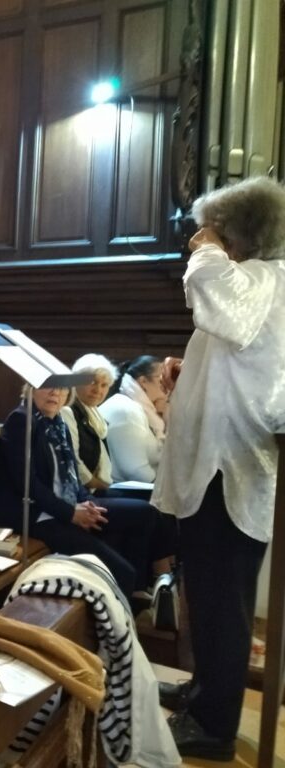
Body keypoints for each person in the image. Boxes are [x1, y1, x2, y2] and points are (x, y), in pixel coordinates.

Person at [152, 177, 285, 761]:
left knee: (222, 599)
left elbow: (215, 294)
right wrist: (190, 373)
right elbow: (241, 360)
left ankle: (213, 725)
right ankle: (205, 691)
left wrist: (206, 246)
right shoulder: (257, 284)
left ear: (238, 235)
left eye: (213, 230)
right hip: (217, 468)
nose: (199, 240)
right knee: (207, 594)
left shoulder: (261, 278)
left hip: (229, 469)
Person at [0, 386, 167, 598]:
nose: (55, 393)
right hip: (38, 515)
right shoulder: (21, 420)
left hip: (68, 504)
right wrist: (71, 513)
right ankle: (127, 599)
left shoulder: (58, 422)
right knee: (121, 572)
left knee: (145, 513)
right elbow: (27, 484)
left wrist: (87, 503)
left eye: (62, 388)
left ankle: (137, 591)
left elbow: (71, 474)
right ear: (31, 389)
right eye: (47, 387)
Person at [99, 356, 166, 483]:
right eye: (161, 377)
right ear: (143, 381)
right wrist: (164, 489)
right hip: (124, 489)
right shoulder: (126, 411)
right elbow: (135, 471)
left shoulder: (143, 410)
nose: (167, 383)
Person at [61, 353, 117, 492]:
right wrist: (98, 485)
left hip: (99, 486)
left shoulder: (94, 411)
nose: (98, 390)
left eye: (104, 385)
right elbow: (73, 460)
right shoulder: (68, 410)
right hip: (83, 490)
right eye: (92, 382)